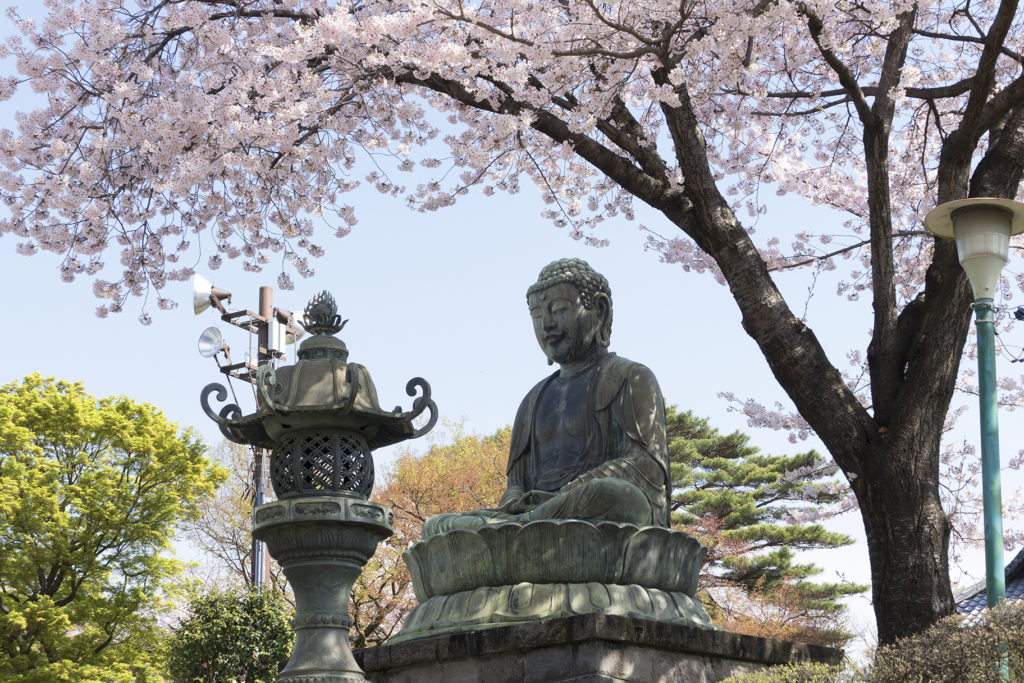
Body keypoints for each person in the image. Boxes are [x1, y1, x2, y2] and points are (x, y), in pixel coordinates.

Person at [422, 258, 670, 537]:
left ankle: (519, 529)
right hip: (540, 516)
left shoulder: (630, 377)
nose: (547, 324)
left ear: (599, 311)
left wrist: (568, 493)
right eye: (537, 314)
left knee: (613, 494)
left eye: (560, 309)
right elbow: (517, 484)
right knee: (435, 527)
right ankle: (522, 527)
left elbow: (648, 466)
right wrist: (514, 501)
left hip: (601, 518)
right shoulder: (532, 401)